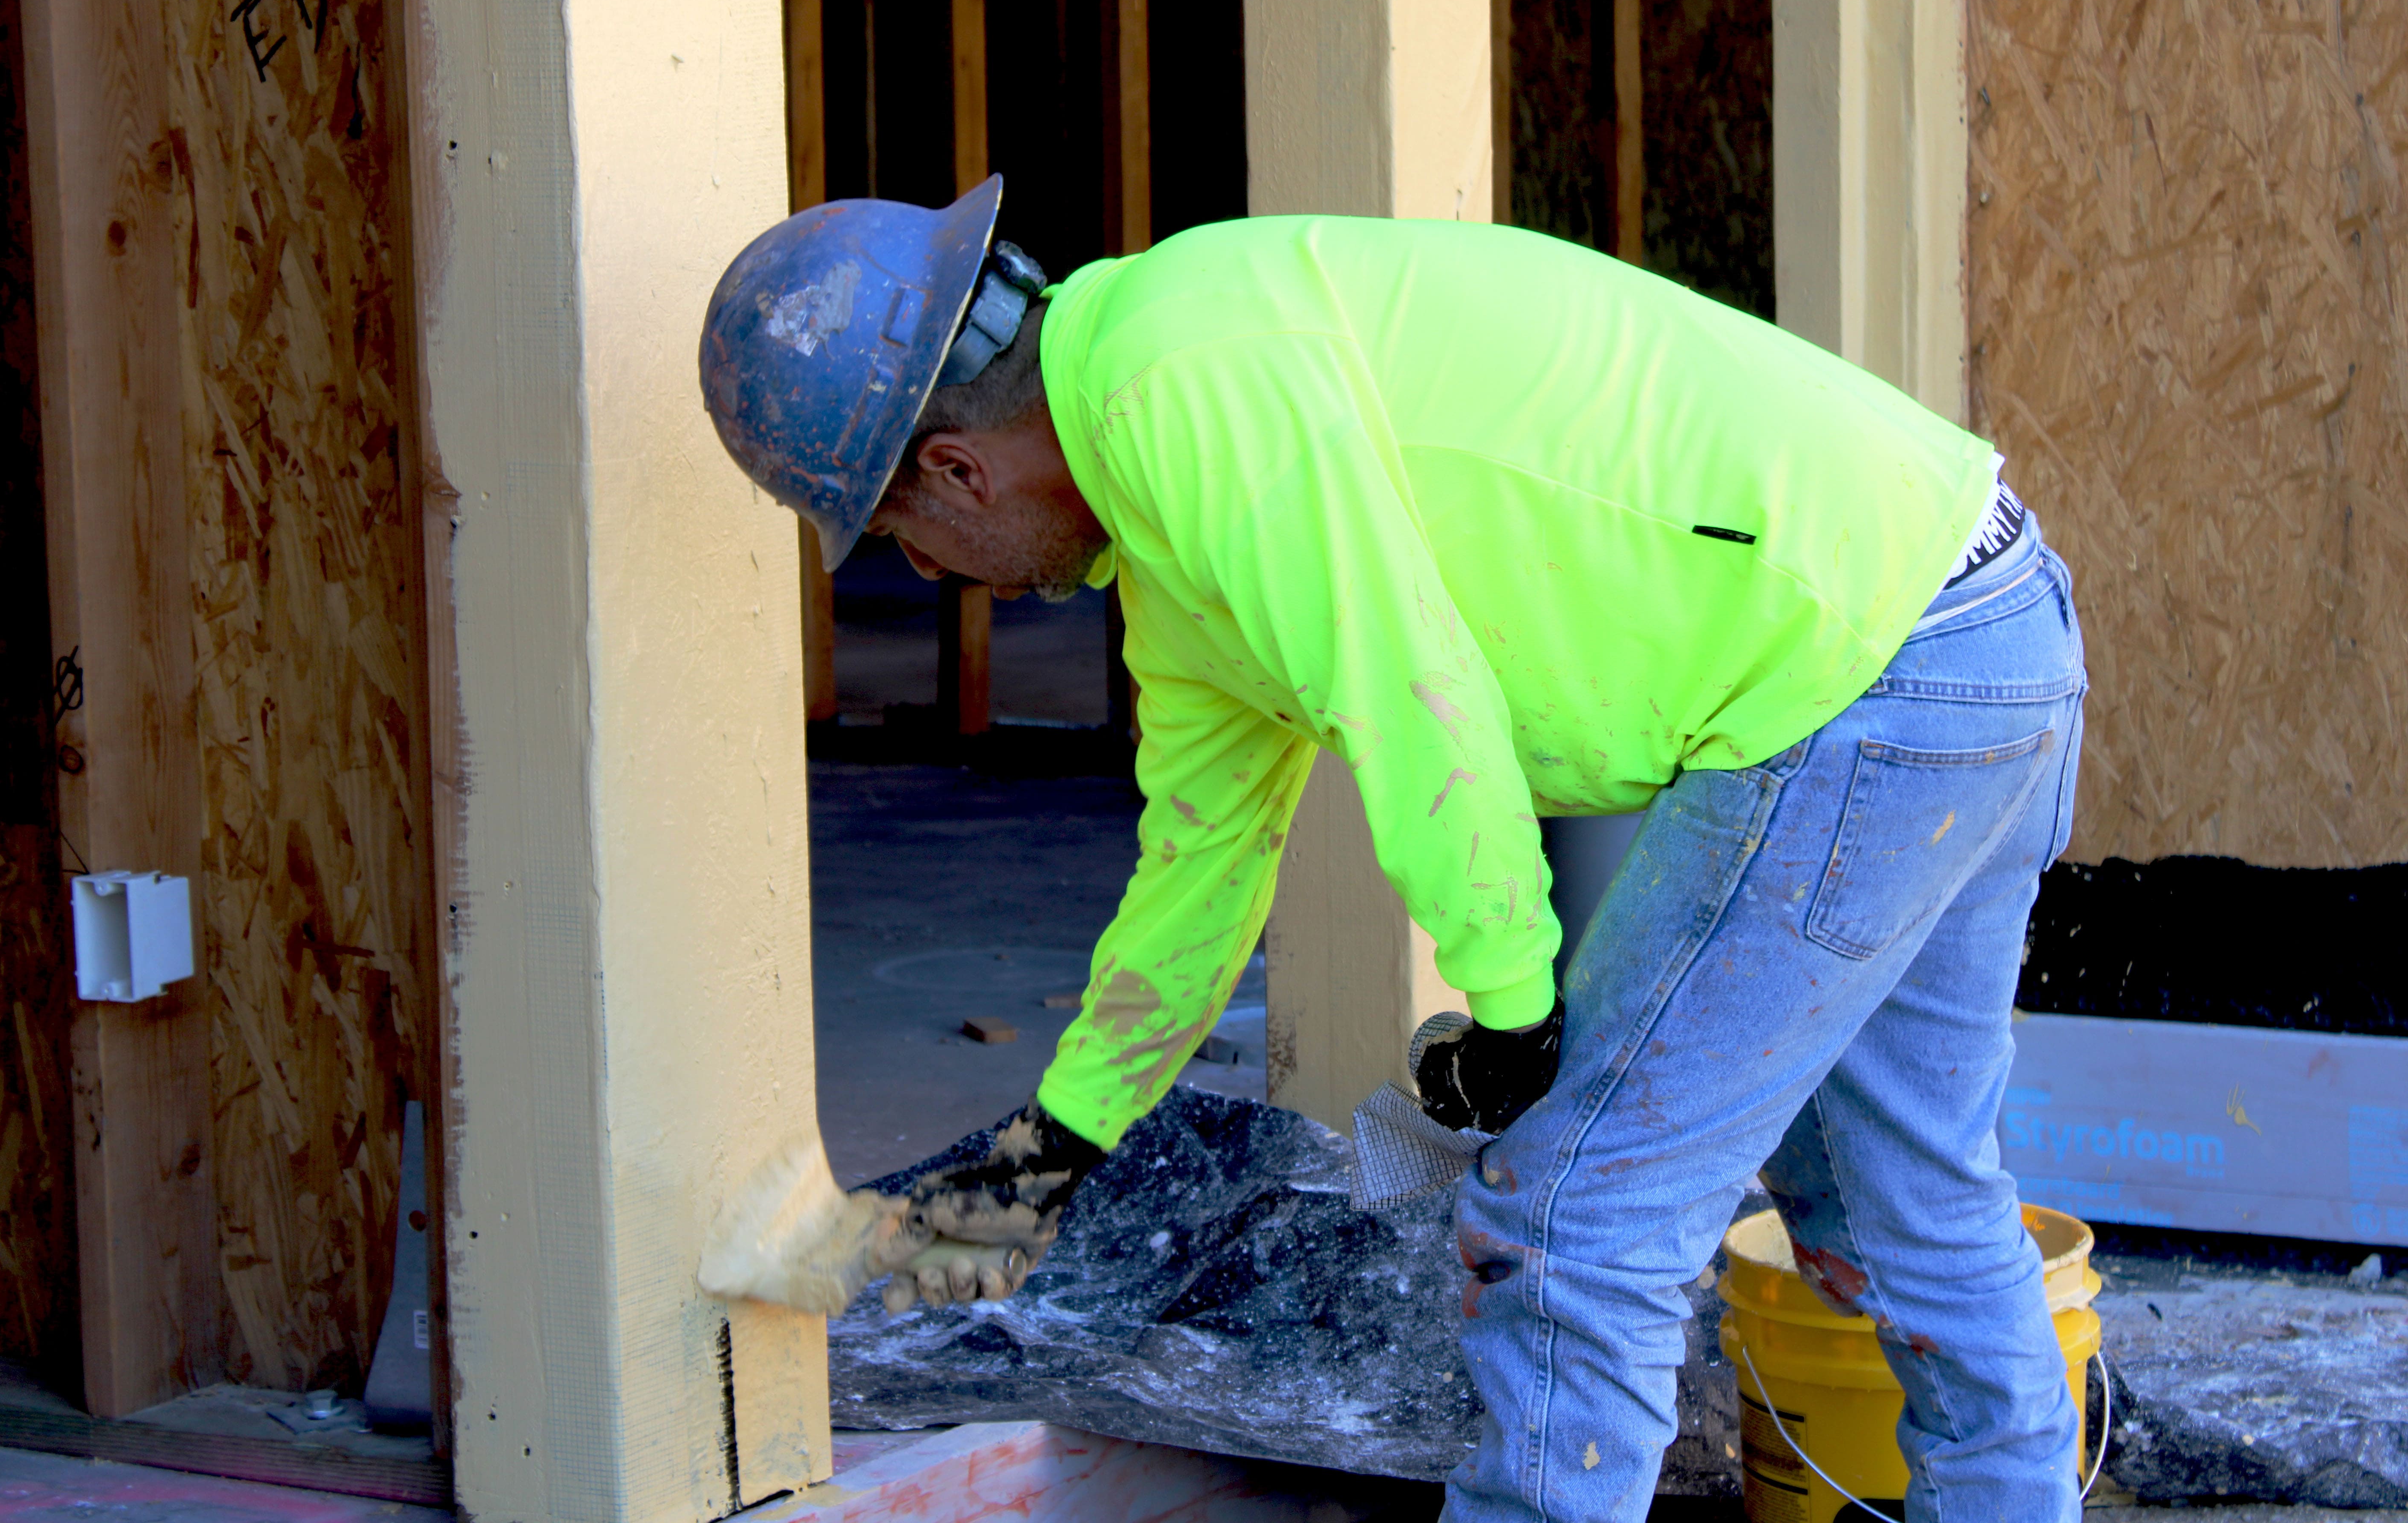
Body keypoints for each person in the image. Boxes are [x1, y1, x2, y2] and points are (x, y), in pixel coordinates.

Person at [700, 178, 2088, 1523]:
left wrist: (1516, 1010)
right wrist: (1056, 1150)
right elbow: (1200, 865)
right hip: (1972, 622)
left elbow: (1415, 694)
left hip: (1860, 681)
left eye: (903, 538)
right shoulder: (1168, 476)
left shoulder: (1186, 389)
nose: (935, 577)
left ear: (953, 469)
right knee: (1907, 1201)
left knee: (1569, 1224)